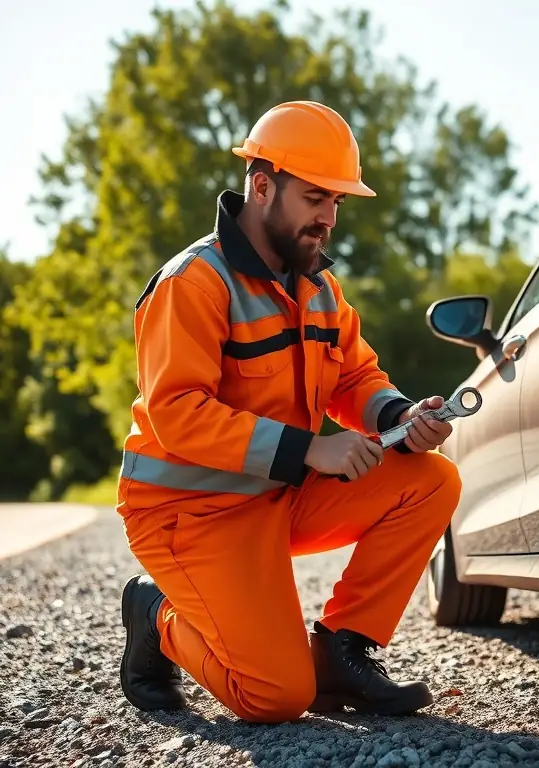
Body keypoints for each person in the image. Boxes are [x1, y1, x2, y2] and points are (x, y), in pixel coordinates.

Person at [116, 100, 463, 724]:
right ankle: (155, 613)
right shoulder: (192, 283)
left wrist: (402, 420)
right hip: (188, 514)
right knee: (276, 697)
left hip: (275, 496)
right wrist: (307, 449)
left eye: (337, 203)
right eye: (314, 198)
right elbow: (177, 411)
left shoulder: (319, 288)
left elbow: (354, 377)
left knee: (430, 480)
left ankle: (343, 652)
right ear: (262, 185)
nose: (329, 218)